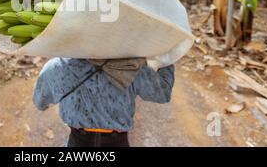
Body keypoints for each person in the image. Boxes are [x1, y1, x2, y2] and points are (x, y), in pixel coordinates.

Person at [32, 57, 175, 147]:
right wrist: (167, 58)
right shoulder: (131, 67)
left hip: (77, 140)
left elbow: (40, 102)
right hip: (117, 141)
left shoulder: (57, 66)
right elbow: (163, 94)